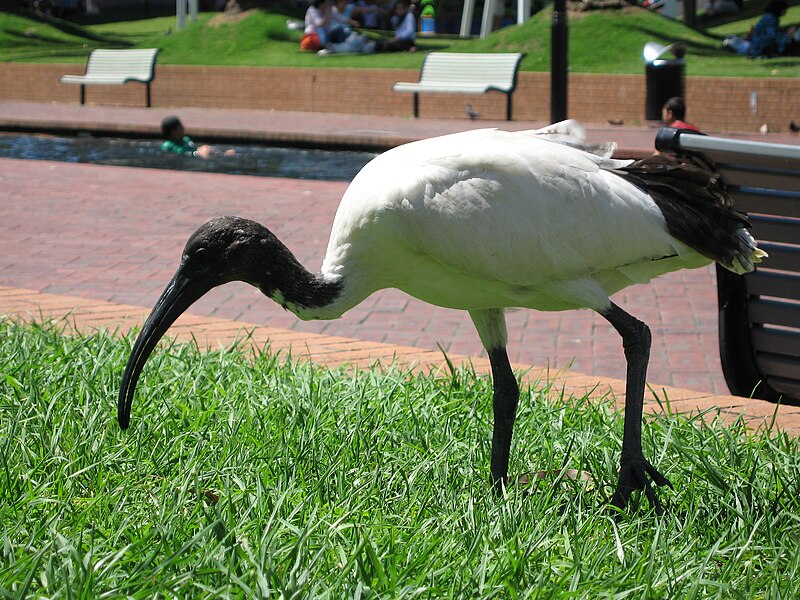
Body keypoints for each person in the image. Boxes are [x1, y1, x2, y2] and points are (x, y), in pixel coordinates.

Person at [160, 116, 234, 159]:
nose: (183, 128)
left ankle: (224, 154)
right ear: (174, 131)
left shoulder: (186, 140)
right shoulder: (167, 146)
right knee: (204, 149)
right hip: (192, 156)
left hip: (195, 154)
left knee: (207, 148)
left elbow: (194, 148)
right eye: (180, 127)